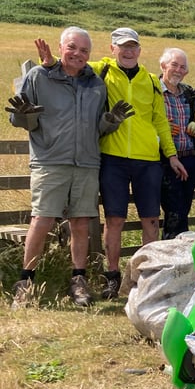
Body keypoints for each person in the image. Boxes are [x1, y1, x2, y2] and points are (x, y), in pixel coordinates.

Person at [38, 27, 189, 299]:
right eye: (122, 46)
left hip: (147, 158)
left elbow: (159, 121)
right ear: (112, 49)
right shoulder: (100, 70)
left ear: (140, 50)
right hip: (113, 157)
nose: (128, 51)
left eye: (133, 46)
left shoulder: (151, 80)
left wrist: (171, 155)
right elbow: (71, 65)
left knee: (151, 220)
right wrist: (48, 64)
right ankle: (112, 277)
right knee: (115, 219)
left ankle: (146, 278)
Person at [9, 27, 132, 307]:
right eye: (72, 47)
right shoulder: (39, 76)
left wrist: (111, 121)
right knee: (42, 220)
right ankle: (26, 283)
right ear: (61, 47)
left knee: (80, 223)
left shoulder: (95, 84)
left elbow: (97, 129)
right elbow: (21, 119)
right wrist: (23, 116)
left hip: (86, 163)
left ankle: (78, 281)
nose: (78, 54)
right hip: (50, 160)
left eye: (84, 50)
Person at [158, 47, 195, 239]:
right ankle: (169, 252)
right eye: (174, 65)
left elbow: (191, 120)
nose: (178, 70)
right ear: (163, 66)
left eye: (182, 67)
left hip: (189, 158)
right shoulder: (154, 92)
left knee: (183, 210)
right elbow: (143, 122)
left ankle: (180, 258)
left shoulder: (188, 94)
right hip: (166, 160)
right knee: (174, 213)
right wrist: (160, 131)